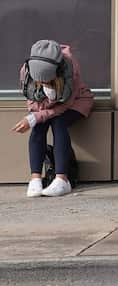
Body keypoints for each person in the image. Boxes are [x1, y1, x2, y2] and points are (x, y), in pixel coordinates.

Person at [11, 40, 94, 197]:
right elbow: (30, 98)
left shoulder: (70, 68)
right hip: (45, 106)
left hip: (76, 102)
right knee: (38, 126)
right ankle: (35, 179)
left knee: (58, 122)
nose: (41, 82)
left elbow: (64, 106)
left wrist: (36, 116)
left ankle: (62, 179)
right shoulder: (26, 70)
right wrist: (35, 117)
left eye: (46, 79)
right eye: (39, 79)